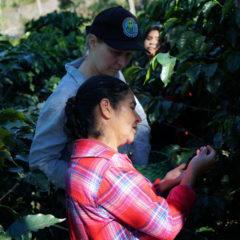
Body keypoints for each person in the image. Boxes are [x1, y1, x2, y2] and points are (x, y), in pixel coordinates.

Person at [65, 75, 216, 240]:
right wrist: (191, 174)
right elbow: (167, 224)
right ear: (106, 107)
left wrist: (163, 184)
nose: (137, 117)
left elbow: (117, 202)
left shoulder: (81, 161)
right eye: (131, 107)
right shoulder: (110, 169)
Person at [29, 6, 151, 189]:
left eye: (128, 55)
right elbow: (41, 161)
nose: (122, 63)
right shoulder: (65, 96)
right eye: (116, 52)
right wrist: (100, 186)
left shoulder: (114, 75)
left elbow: (140, 126)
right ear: (93, 42)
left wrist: (137, 179)